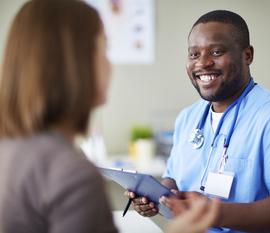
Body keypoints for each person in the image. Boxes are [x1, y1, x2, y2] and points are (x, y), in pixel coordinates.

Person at [0, 1, 220, 233]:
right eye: (104, 49)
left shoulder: (10, 150)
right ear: (76, 64)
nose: (109, 63)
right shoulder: (72, 176)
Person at [125, 10, 270, 233]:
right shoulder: (187, 118)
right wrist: (155, 198)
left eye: (216, 51)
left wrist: (213, 213)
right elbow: (174, 179)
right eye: (194, 54)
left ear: (247, 55)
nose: (202, 63)